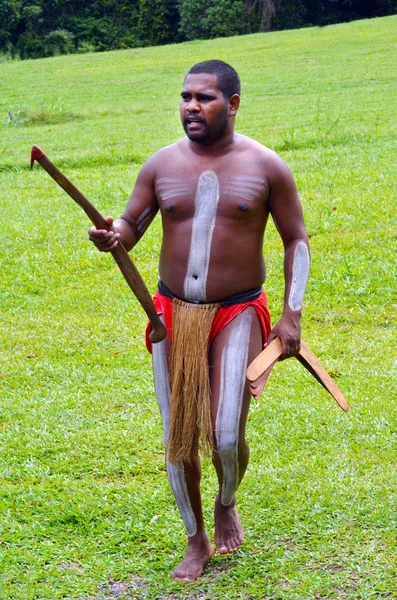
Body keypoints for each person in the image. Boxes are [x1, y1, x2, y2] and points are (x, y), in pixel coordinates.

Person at [89, 60, 310, 582]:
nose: (191, 106)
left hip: (237, 312)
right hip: (171, 314)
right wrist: (114, 235)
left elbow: (295, 238)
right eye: (186, 96)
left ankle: (226, 499)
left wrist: (291, 314)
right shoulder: (160, 165)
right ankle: (195, 538)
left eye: (205, 98)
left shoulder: (266, 166)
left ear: (232, 104)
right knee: (178, 438)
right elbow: (131, 223)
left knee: (226, 435)